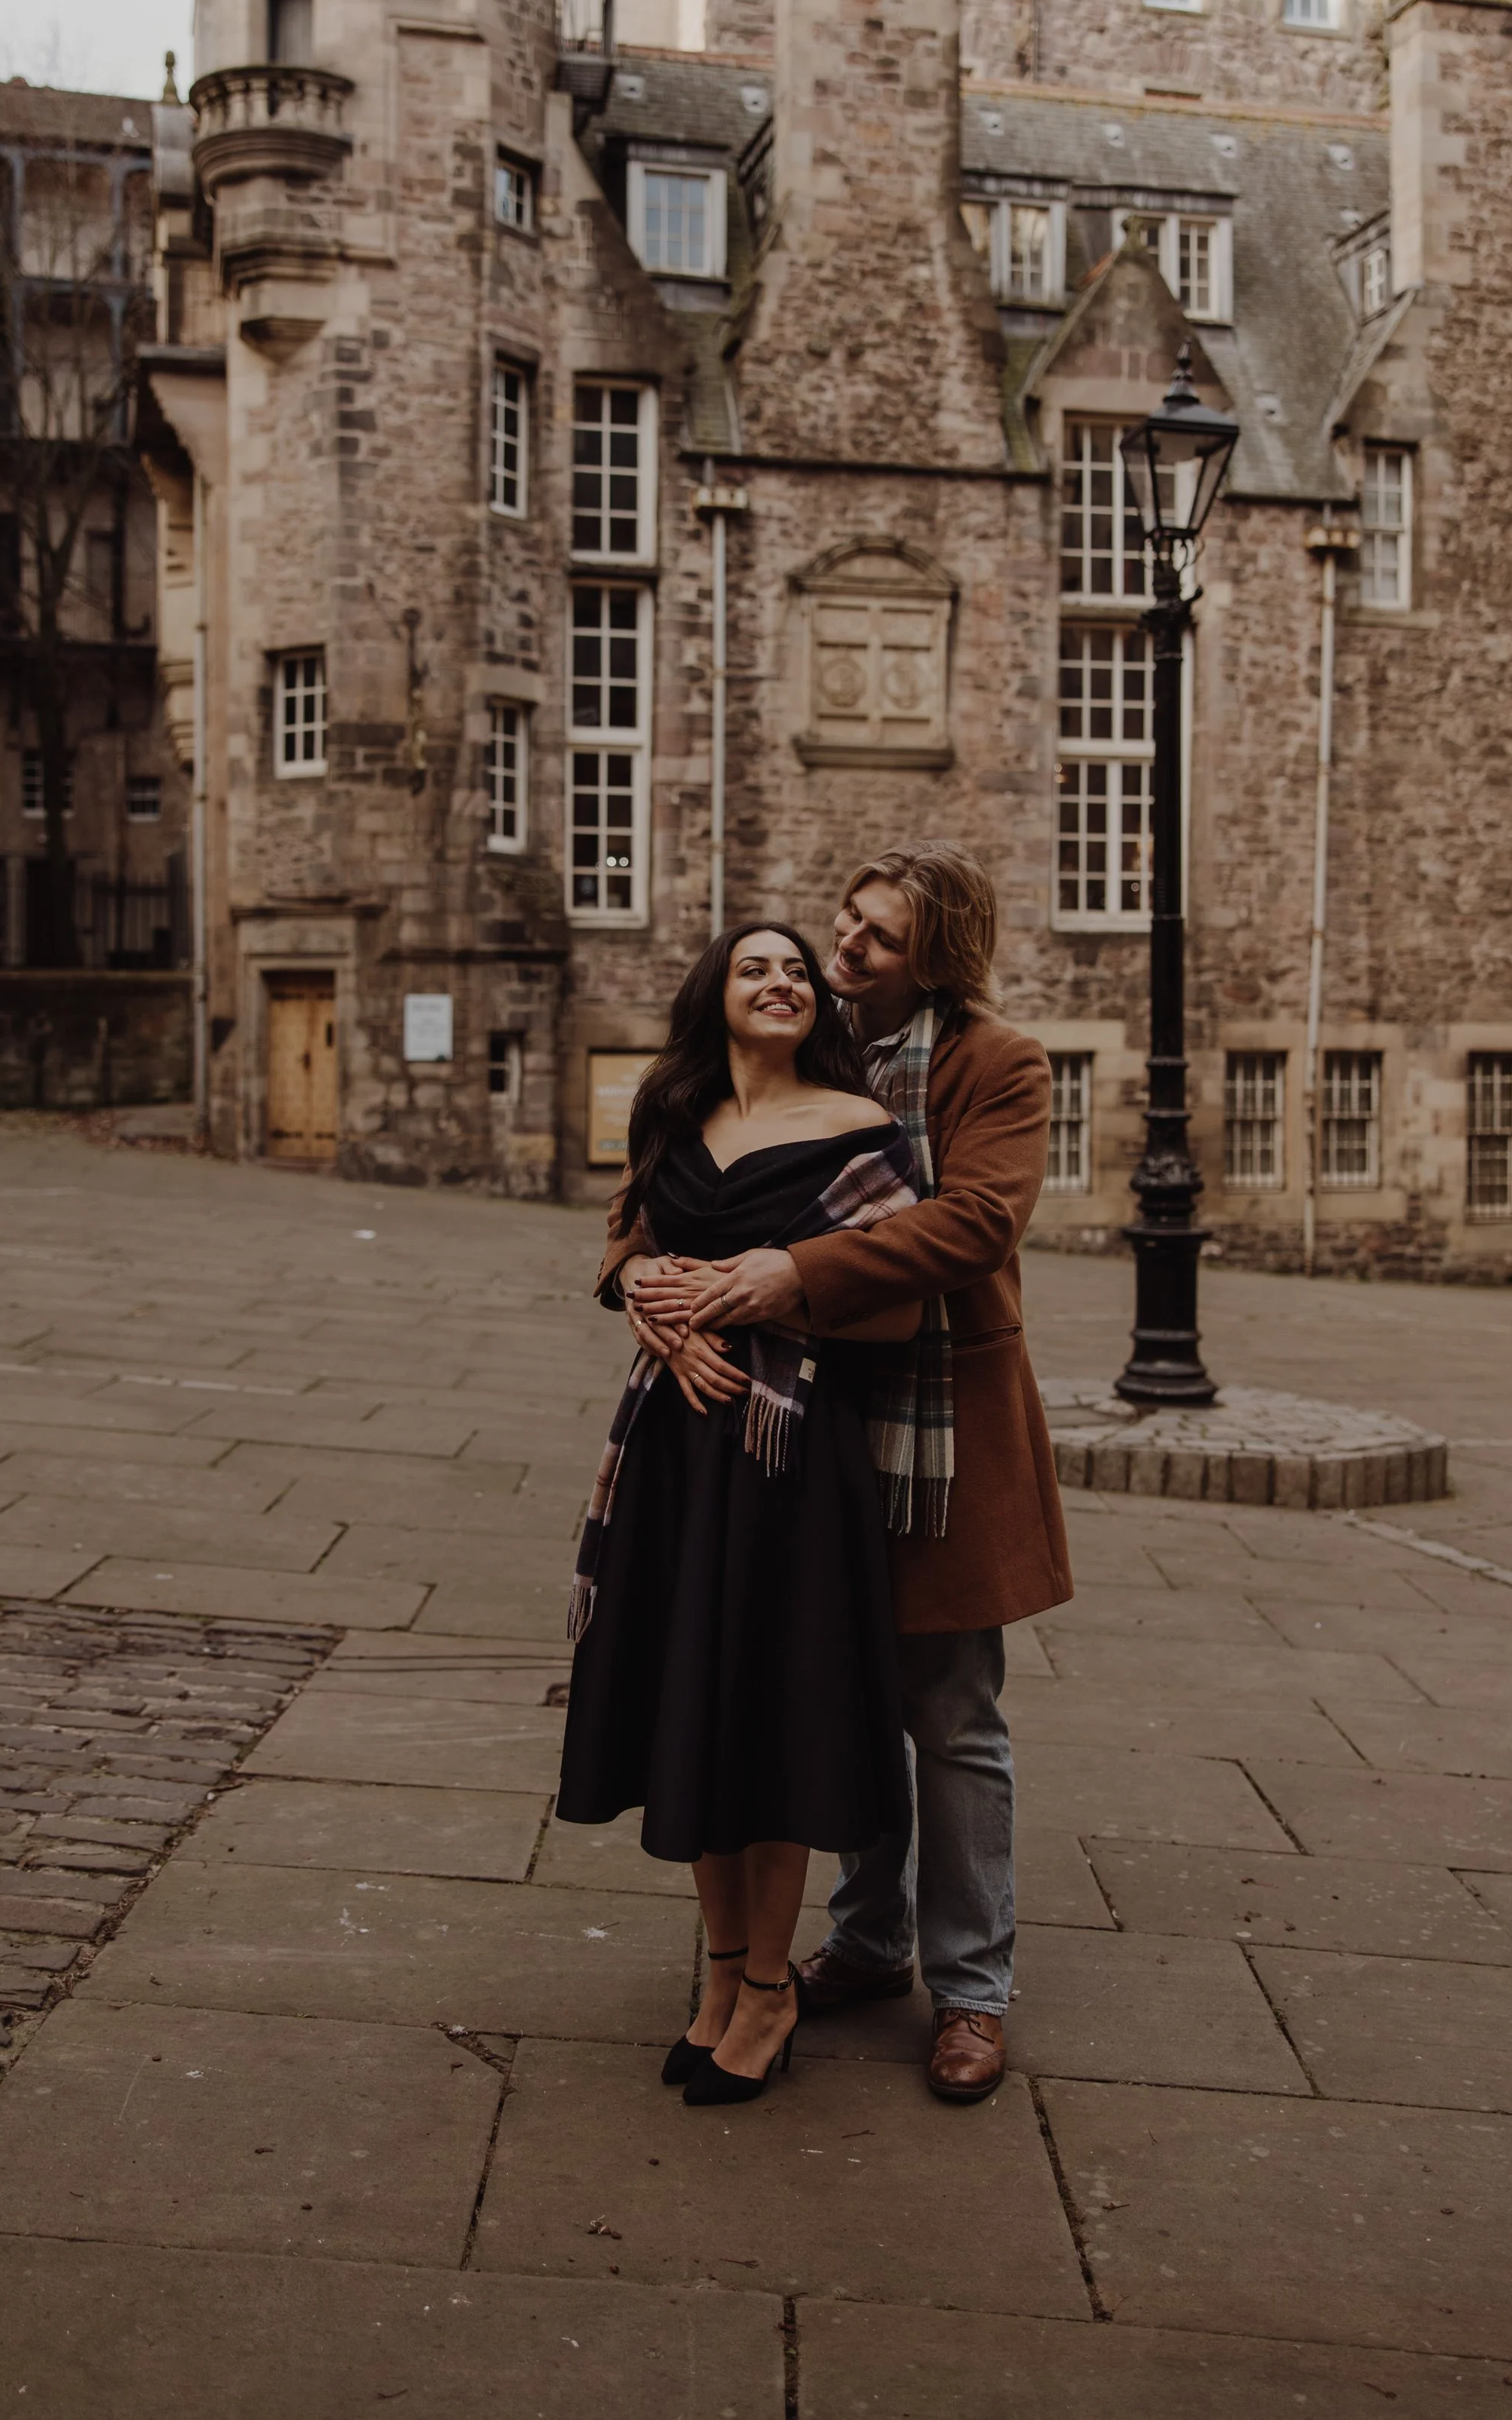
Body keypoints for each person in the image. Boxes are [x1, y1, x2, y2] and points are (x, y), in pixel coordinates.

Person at [615, 843, 1072, 2104]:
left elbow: (976, 1220)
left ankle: (971, 1988)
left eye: (872, 934)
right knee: (835, 1693)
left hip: (935, 1434)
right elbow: (654, 1212)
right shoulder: (803, 1054)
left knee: (951, 1714)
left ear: (938, 952)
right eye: (842, 924)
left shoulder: (998, 1063)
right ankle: (868, 1942)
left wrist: (791, 1277)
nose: (842, 947)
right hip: (796, 1431)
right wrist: (647, 1297)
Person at [556, 921, 926, 2108]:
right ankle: (718, 1974)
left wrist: (772, 1294)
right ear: (715, 992)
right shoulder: (673, 1111)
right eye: (755, 965)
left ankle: (772, 1986)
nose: (782, 981)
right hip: (673, 1452)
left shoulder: (865, 1131)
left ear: (819, 1003)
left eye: (798, 970)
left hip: (790, 1463)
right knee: (695, 1711)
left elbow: (901, 1307)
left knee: (771, 1722)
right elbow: (632, 1242)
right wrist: (647, 1302)